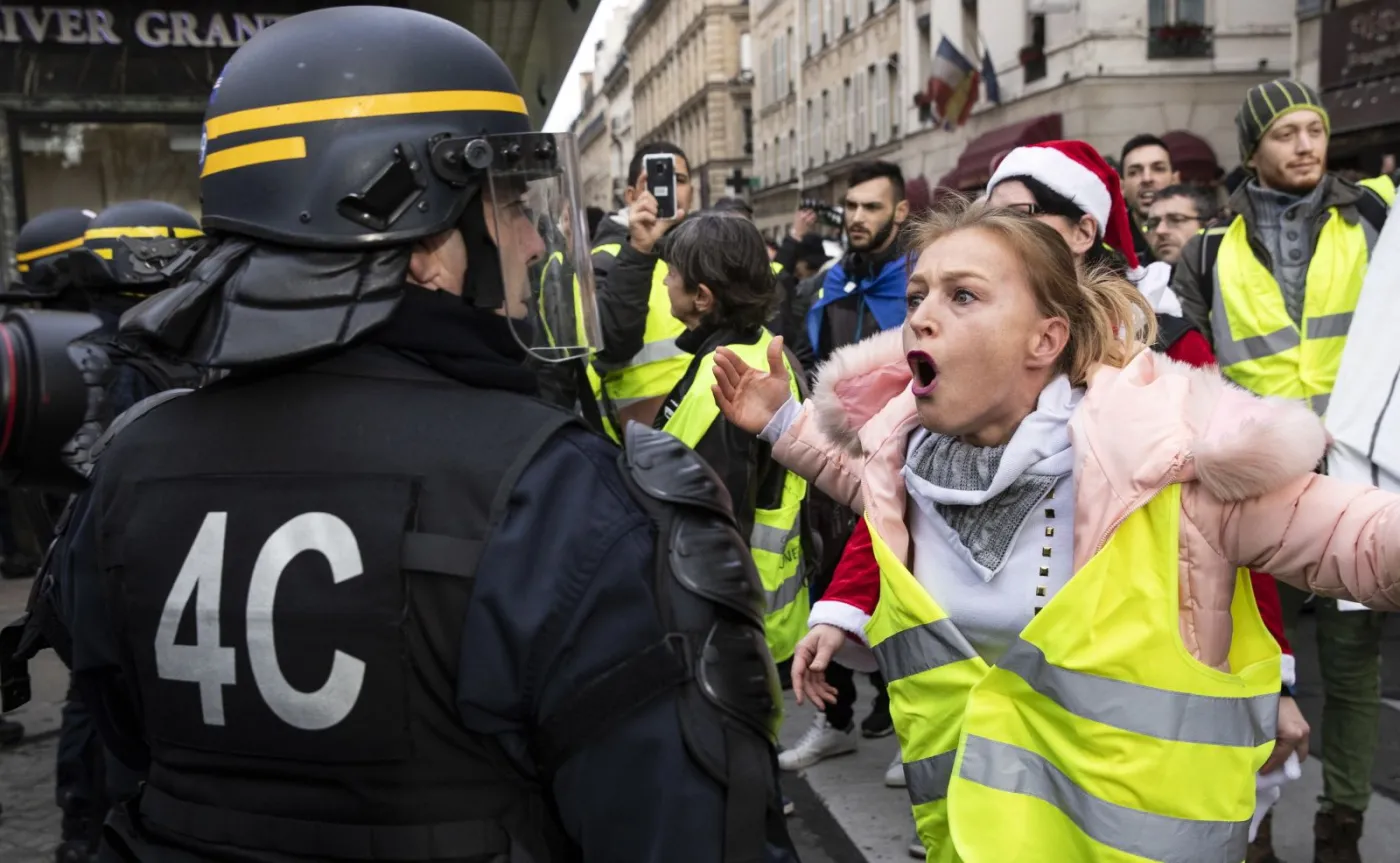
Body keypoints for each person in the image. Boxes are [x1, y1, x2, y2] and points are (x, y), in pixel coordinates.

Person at [24, 8, 796, 862]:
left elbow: (110, 749)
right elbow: (681, 828)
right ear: (428, 242)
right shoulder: (558, 493)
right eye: (509, 206)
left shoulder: (130, 461)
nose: (532, 240)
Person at [711, 199, 1400, 863]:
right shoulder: (907, 463)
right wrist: (784, 423)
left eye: (962, 295)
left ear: (1045, 339)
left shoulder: (1168, 466)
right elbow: (864, 476)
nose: (919, 316)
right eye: (917, 295)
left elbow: (1362, 540)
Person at [1171, 78, 1397, 863]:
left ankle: (1342, 829)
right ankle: (1254, 825)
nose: (1305, 145)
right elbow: (1186, 368)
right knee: (1248, 662)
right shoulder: (1207, 249)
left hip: (1356, 473)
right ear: (1252, 148)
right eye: (1284, 133)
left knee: (1353, 665)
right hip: (1254, 486)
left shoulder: (1375, 216)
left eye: (1315, 129)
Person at [46, 200, 208, 863]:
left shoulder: (78, 340)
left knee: (87, 690)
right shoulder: (143, 351)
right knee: (108, 697)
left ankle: (82, 826)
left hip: (77, 542)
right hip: (125, 549)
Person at [777, 162, 909, 777]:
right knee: (829, 585)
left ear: (900, 212)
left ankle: (910, 726)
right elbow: (810, 360)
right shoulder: (831, 282)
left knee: (902, 596)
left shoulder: (918, 283)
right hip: (833, 461)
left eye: (871, 207)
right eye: (851, 206)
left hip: (901, 463)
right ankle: (835, 723)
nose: (857, 217)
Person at [656, 211, 811, 668]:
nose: (664, 282)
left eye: (671, 274)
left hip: (731, 622)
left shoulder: (725, 380)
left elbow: (714, 525)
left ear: (702, 297)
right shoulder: (756, 346)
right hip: (763, 608)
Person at [984, 140, 1214, 368]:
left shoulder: (1173, 346)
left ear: (1083, 233)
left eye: (1019, 214)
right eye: (989, 218)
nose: (998, 231)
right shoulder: (980, 327)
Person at [1119, 133, 1179, 264]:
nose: (1147, 178)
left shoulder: (1199, 237)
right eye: (1134, 172)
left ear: (1175, 180)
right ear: (1121, 187)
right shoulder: (1107, 247)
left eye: (1158, 169)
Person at [1145, 183, 1216, 265]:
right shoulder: (1137, 271)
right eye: (1153, 224)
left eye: (1176, 220)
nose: (1160, 231)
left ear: (1209, 226)